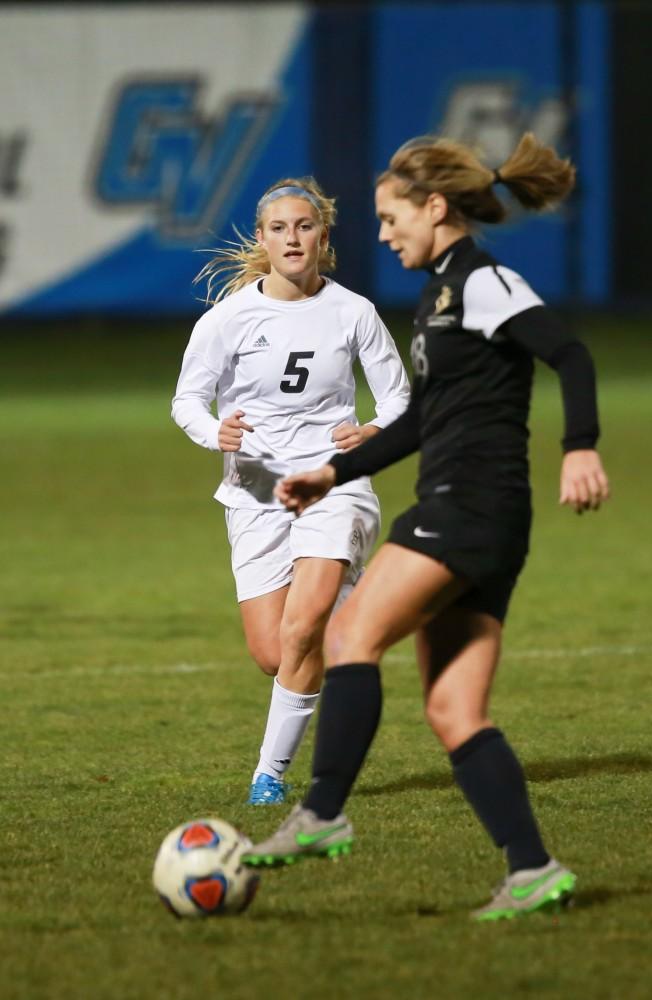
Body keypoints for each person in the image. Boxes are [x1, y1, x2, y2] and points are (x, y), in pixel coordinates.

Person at [243, 134, 611, 921]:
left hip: (466, 508)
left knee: (348, 638)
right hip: (482, 516)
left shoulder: (483, 282)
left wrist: (580, 447)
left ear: (433, 207)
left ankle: (322, 812)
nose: (380, 233)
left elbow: (571, 354)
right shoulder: (438, 294)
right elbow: (420, 420)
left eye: (389, 216)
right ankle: (534, 868)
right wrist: (332, 474)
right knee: (454, 713)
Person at [171, 177, 409, 805]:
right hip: (254, 487)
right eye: (279, 228)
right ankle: (351, 603)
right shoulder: (227, 320)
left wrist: (375, 430)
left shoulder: (353, 311)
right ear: (262, 239)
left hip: (333, 482)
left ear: (323, 237)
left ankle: (267, 776)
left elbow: (398, 396)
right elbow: (187, 400)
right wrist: (213, 431)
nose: (292, 237)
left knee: (304, 628)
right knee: (274, 652)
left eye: (304, 226)